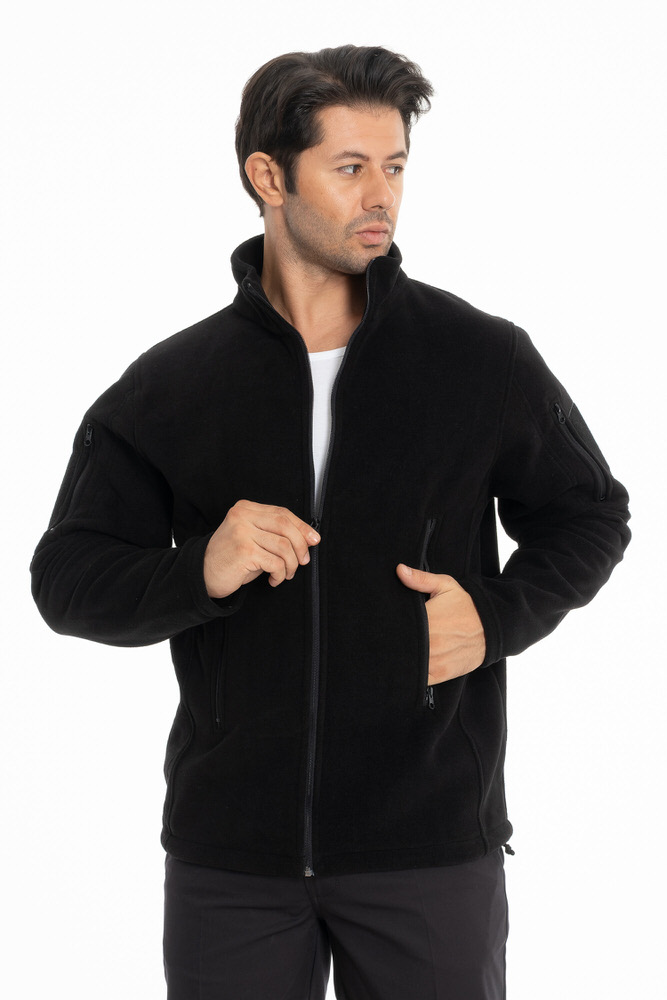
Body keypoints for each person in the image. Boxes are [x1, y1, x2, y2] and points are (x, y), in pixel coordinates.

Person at [30, 44, 631, 1000]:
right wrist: (198, 570)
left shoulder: (478, 359)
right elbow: (66, 578)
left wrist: (495, 617)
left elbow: (590, 513)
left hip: (428, 848)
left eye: (393, 166)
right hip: (232, 859)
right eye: (349, 168)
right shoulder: (172, 387)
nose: (380, 195)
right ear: (267, 177)